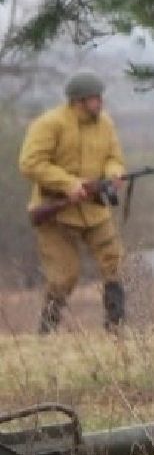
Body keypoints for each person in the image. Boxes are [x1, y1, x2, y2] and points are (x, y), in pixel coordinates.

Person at [18, 72, 133, 334]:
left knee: (115, 263)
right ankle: (46, 331)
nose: (100, 102)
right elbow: (30, 163)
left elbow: (114, 157)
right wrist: (68, 184)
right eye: (95, 98)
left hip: (94, 209)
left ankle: (116, 327)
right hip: (56, 213)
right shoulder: (50, 124)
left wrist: (114, 173)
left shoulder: (105, 124)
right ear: (78, 100)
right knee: (64, 277)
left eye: (100, 97)